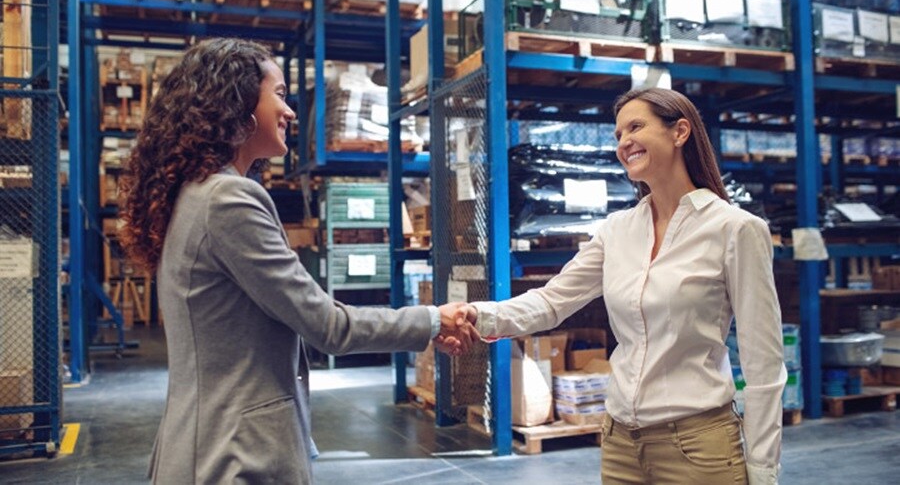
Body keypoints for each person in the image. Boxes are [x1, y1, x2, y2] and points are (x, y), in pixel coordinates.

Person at [117, 38, 473, 484]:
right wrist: (433, 321)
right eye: (280, 94)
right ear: (238, 103)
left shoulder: (195, 191)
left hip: (200, 443)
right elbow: (327, 325)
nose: (289, 112)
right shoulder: (229, 198)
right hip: (233, 456)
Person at [456, 88, 786, 484]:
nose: (623, 142)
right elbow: (552, 301)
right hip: (620, 444)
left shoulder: (736, 229)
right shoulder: (617, 230)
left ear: (679, 132)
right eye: (617, 135)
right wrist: (479, 315)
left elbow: (764, 363)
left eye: (635, 127)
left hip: (699, 446)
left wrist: (764, 471)